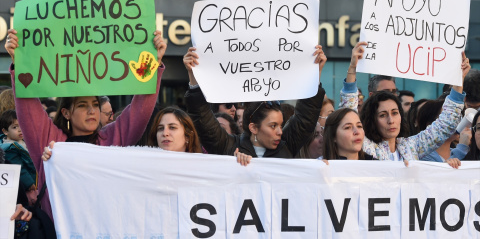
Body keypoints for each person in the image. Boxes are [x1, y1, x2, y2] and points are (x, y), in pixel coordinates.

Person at [5, 28, 167, 220]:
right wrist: (19, 61)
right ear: (66, 112)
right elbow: (29, 111)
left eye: (95, 105)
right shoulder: (51, 143)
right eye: (83, 105)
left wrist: (153, 63)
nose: (92, 111)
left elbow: (139, 110)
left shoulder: (112, 139)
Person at [183, 45, 327, 158]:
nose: (280, 132)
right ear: (253, 128)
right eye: (273, 126)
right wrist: (193, 74)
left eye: (281, 125)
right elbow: (202, 117)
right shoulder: (229, 147)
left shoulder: (287, 146)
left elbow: (306, 117)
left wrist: (315, 72)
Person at [340, 41, 469, 164]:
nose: (391, 120)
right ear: (372, 119)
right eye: (383, 115)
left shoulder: (412, 146)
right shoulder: (367, 147)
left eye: (395, 113)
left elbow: (445, 125)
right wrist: (352, 68)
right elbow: (348, 113)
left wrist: (459, 79)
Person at [0, 110, 38, 205]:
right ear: (5, 131)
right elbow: (18, 167)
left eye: (21, 125)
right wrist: (28, 183)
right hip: (25, 186)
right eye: (15, 127)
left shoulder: (22, 141)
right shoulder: (9, 148)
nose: (20, 129)